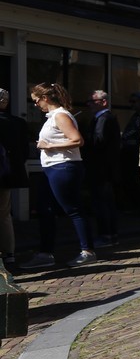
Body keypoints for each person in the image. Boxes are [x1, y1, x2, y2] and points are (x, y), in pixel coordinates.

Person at [25, 83, 96, 269]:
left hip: (63, 166)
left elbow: (77, 140)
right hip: (52, 168)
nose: (35, 105)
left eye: (36, 101)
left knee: (73, 209)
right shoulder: (52, 117)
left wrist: (49, 146)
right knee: (45, 209)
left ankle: (87, 251)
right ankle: (45, 253)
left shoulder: (60, 115)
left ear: (45, 98)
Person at [84, 90, 121, 246]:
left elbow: (98, 140)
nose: (89, 105)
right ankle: (111, 234)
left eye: (93, 101)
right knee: (105, 202)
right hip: (104, 168)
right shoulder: (103, 118)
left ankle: (106, 235)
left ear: (103, 102)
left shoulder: (104, 118)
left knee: (102, 202)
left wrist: (80, 138)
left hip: (101, 169)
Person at [0, 89, 29, 267]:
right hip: (6, 175)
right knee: (4, 214)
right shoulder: (18, 123)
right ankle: (9, 253)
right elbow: (24, 152)